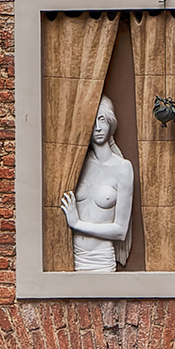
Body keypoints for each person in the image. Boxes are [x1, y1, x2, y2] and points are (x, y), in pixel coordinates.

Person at [61, 96, 133, 272]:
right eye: (92, 121)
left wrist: (77, 224)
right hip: (74, 258)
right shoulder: (76, 166)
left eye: (102, 120)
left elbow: (120, 230)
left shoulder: (122, 168)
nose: (98, 128)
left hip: (102, 260)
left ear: (110, 122)